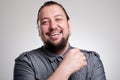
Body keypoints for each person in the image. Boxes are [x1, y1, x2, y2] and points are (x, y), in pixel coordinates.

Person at [14, 1, 106, 80]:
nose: (53, 26)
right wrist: (65, 69)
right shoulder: (26, 62)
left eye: (58, 19)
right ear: (39, 30)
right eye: (45, 22)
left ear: (69, 25)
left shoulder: (92, 60)